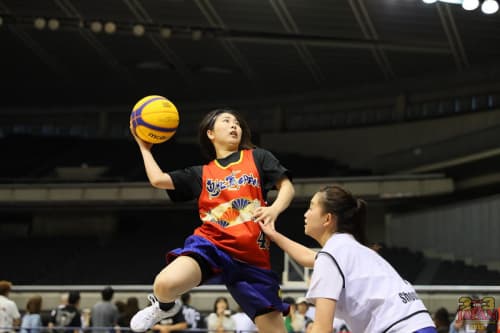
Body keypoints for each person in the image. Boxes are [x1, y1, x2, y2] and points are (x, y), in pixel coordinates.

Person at [129, 108, 295, 333]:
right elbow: (159, 180)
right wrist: (144, 147)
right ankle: (164, 306)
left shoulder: (258, 157)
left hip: (253, 259)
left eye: (237, 123)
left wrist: (274, 209)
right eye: (226, 121)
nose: (234, 125)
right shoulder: (201, 173)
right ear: (210, 133)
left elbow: (286, 187)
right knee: (164, 284)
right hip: (213, 246)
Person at [259, 185, 437, 333]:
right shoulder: (348, 247)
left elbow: (322, 329)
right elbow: (308, 257)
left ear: (327, 219)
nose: (305, 214)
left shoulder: (333, 254)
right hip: (421, 325)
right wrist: (274, 235)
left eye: (311, 207)